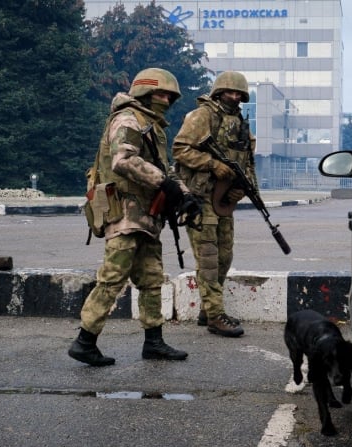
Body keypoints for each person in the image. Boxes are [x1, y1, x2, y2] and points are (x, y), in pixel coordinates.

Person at [68, 68, 200, 366]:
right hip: (126, 214)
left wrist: (185, 194)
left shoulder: (152, 126)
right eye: (160, 94)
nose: (166, 100)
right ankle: (84, 341)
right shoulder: (128, 119)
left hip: (146, 217)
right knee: (113, 277)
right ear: (144, 92)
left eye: (170, 95)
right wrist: (163, 183)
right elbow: (123, 160)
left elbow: (164, 171)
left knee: (152, 278)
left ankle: (154, 342)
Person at [172, 71, 258, 338]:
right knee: (208, 259)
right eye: (229, 92)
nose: (234, 97)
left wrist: (244, 189)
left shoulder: (240, 122)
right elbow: (180, 149)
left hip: (222, 199)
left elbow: (247, 161)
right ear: (218, 92)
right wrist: (212, 164)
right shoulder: (203, 116)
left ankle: (209, 309)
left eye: (239, 94)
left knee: (224, 256)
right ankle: (216, 316)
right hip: (199, 198)